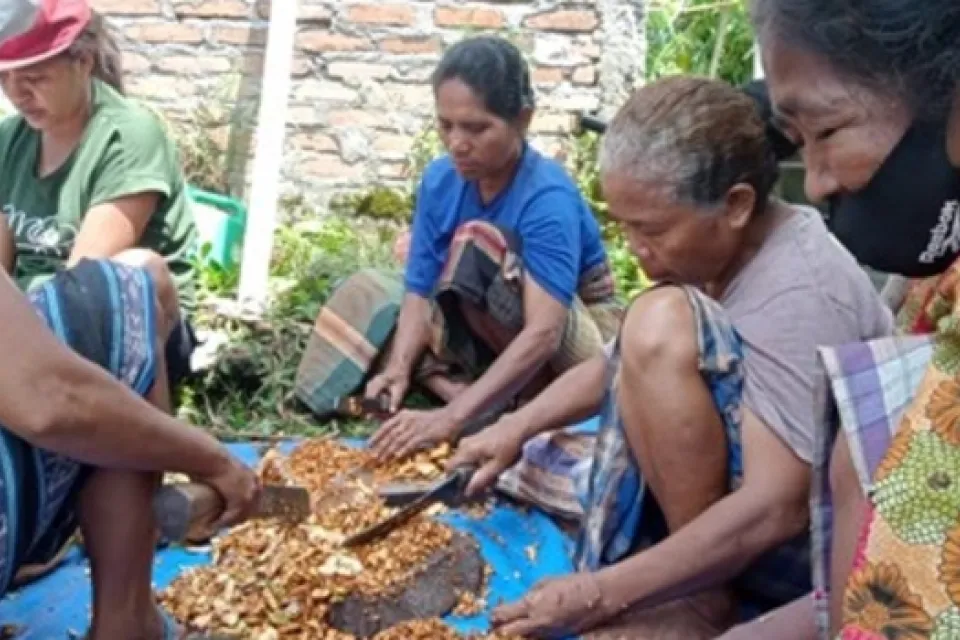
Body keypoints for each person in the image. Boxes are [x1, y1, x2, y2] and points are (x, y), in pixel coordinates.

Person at [448, 76, 893, 639]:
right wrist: (513, 427)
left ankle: (704, 597)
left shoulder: (799, 291)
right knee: (642, 333)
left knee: (657, 322)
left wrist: (598, 593)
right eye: (626, 227)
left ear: (735, 206)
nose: (636, 249)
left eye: (651, 229)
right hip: (757, 518)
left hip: (816, 550)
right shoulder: (720, 257)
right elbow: (615, 364)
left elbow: (777, 509)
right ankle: (690, 578)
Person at [714, 2, 960, 639]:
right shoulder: (935, 287)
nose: (817, 183)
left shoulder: (797, 284)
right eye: (798, 143)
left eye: (826, 132)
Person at [295, 36, 622, 461]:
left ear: (523, 119)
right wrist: (397, 368)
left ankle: (505, 405)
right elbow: (418, 288)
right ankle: (470, 394)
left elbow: (544, 334)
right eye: (446, 125)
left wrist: (449, 421)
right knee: (375, 291)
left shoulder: (548, 198)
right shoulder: (439, 181)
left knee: (478, 242)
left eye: (476, 128)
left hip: (570, 346)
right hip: (487, 329)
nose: (457, 143)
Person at [0, 0, 200, 388]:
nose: (17, 93)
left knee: (140, 266)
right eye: (5, 78)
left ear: (84, 61)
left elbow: (82, 285)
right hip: (25, 323)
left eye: (35, 78)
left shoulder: (127, 137)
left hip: (121, 326)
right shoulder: (9, 140)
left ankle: (146, 429)